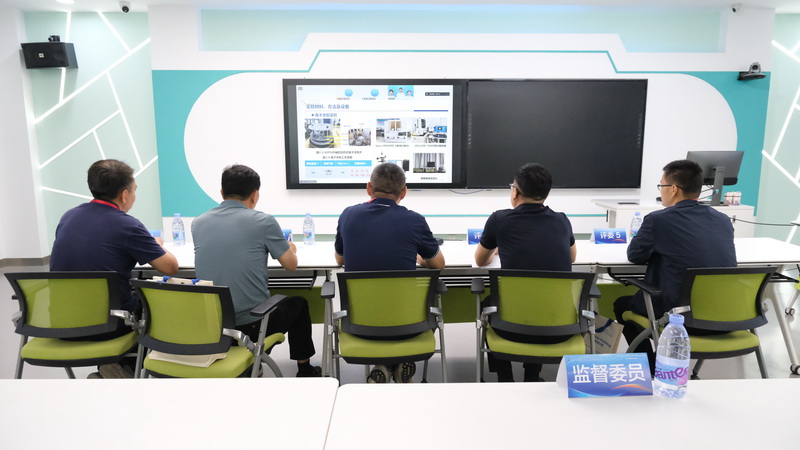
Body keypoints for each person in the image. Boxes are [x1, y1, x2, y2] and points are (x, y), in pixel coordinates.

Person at [50, 159, 179, 378]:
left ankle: (114, 368)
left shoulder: (68, 217)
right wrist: (156, 244)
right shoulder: (127, 225)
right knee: (159, 299)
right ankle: (126, 368)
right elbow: (171, 267)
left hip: (61, 323)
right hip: (108, 325)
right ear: (125, 195)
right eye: (135, 190)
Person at [192, 164, 320, 377]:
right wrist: (290, 247)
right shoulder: (264, 221)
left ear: (222, 192)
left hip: (214, 325)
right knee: (299, 304)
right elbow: (291, 265)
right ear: (255, 195)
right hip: (253, 325)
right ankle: (305, 370)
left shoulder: (198, 223)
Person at [613, 159, 736, 370]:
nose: (661, 191)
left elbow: (635, 255)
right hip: (723, 316)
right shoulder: (723, 220)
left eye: (661, 186)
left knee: (621, 305)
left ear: (673, 189)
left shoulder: (658, 220)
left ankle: (651, 366)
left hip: (679, 319)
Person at [334, 162, 445, 383]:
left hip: (359, 325)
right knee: (429, 303)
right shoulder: (414, 220)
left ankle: (384, 365)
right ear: (403, 192)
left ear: (369, 188)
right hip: (409, 325)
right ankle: (399, 362)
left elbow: (340, 259)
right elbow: (439, 264)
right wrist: (419, 257)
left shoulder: (348, 215)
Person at [474, 163, 576, 382]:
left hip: (509, 327)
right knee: (541, 298)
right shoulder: (562, 220)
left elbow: (480, 260)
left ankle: (505, 378)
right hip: (560, 326)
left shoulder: (499, 219)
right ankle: (532, 375)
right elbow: (572, 257)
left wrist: (496, 249)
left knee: (490, 304)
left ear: (515, 192)